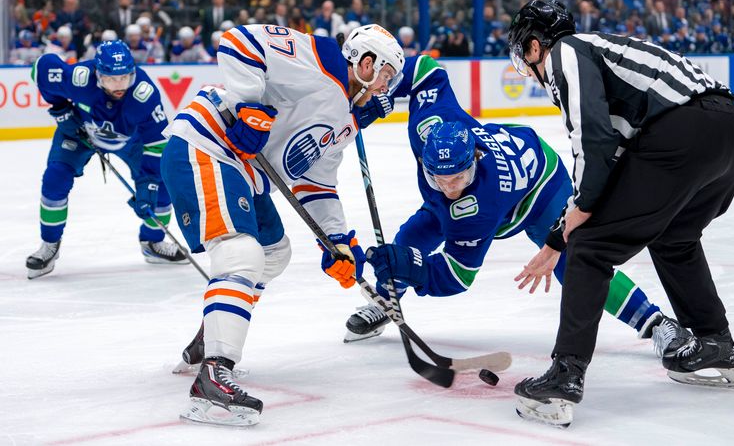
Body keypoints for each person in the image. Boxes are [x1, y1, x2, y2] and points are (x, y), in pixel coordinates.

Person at [507, 0, 734, 426]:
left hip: (684, 135)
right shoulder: (607, 55)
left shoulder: (566, 52)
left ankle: (566, 374)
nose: (527, 68)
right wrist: (555, 237)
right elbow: (616, 169)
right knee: (674, 237)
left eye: (522, 57)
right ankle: (716, 341)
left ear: (534, 47)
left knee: (590, 248)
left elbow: (595, 146)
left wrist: (579, 219)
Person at [160, 23, 404, 426]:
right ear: (364, 62)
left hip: (246, 170)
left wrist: (337, 240)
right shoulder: (320, 59)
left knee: (274, 253)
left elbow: (316, 183)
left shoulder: (345, 120)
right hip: (207, 144)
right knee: (242, 255)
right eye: (384, 75)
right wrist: (248, 106)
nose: (384, 87)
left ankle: (212, 335)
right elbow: (239, 40)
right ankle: (213, 376)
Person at [344, 54, 667, 348]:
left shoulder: (481, 204)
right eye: (438, 179)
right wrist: (370, 89)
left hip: (541, 189)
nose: (449, 189)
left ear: (475, 159)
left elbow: (458, 276)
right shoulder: (430, 125)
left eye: (458, 178)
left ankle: (655, 323)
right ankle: (387, 301)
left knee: (574, 263)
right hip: (507, 151)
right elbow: (423, 69)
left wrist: (413, 270)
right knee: (410, 239)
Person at [26, 40, 188, 279]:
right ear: (98, 74)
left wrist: (148, 185)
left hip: (131, 143)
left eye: (125, 77)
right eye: (112, 79)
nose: (119, 85)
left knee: (160, 190)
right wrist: (60, 110)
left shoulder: (145, 95)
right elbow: (40, 67)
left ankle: (152, 242)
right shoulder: (79, 78)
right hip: (79, 133)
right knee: (54, 179)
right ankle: (49, 244)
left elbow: (157, 145)